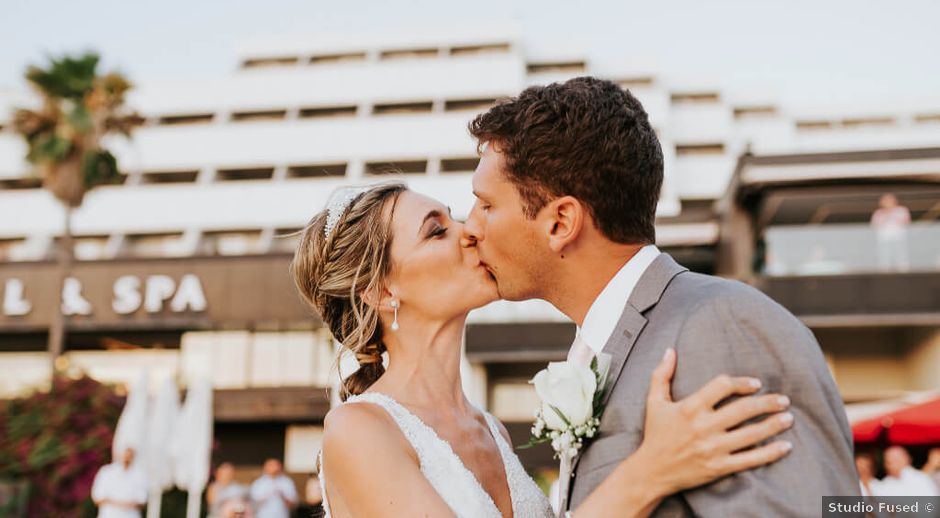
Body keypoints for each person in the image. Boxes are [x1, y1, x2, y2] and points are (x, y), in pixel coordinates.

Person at [462, 77, 861, 515]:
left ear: (560, 223)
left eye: (485, 205)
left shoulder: (722, 326)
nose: (471, 227)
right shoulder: (603, 345)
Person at [291, 181, 794, 518]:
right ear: (380, 292)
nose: (469, 232)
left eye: (455, 217)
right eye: (436, 231)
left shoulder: (490, 430)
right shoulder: (358, 432)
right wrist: (650, 470)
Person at [90, 446, 147, 518]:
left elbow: (142, 501)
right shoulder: (106, 472)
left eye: (129, 455)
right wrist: (119, 504)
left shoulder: (140, 475)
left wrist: (123, 504)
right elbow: (97, 497)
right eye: (125, 454)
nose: (126, 458)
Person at [871, 192, 911, 271]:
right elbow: (873, 225)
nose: (887, 203)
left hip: (899, 238)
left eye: (889, 200)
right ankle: (884, 270)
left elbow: (907, 223)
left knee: (900, 255)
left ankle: (903, 270)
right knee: (884, 257)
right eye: (885, 201)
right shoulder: (878, 213)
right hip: (884, 240)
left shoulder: (901, 210)